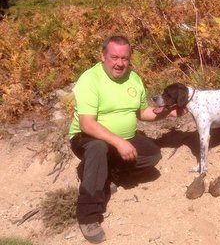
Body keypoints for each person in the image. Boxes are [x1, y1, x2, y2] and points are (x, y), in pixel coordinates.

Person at [68, 36, 179, 244]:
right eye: (114, 57)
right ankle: (88, 215)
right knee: (98, 148)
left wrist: (165, 113)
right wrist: (118, 142)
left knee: (152, 155)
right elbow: (87, 124)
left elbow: (142, 113)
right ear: (103, 56)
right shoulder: (90, 79)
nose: (120, 63)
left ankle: (104, 173)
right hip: (87, 138)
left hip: (123, 138)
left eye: (125, 58)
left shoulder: (134, 79)